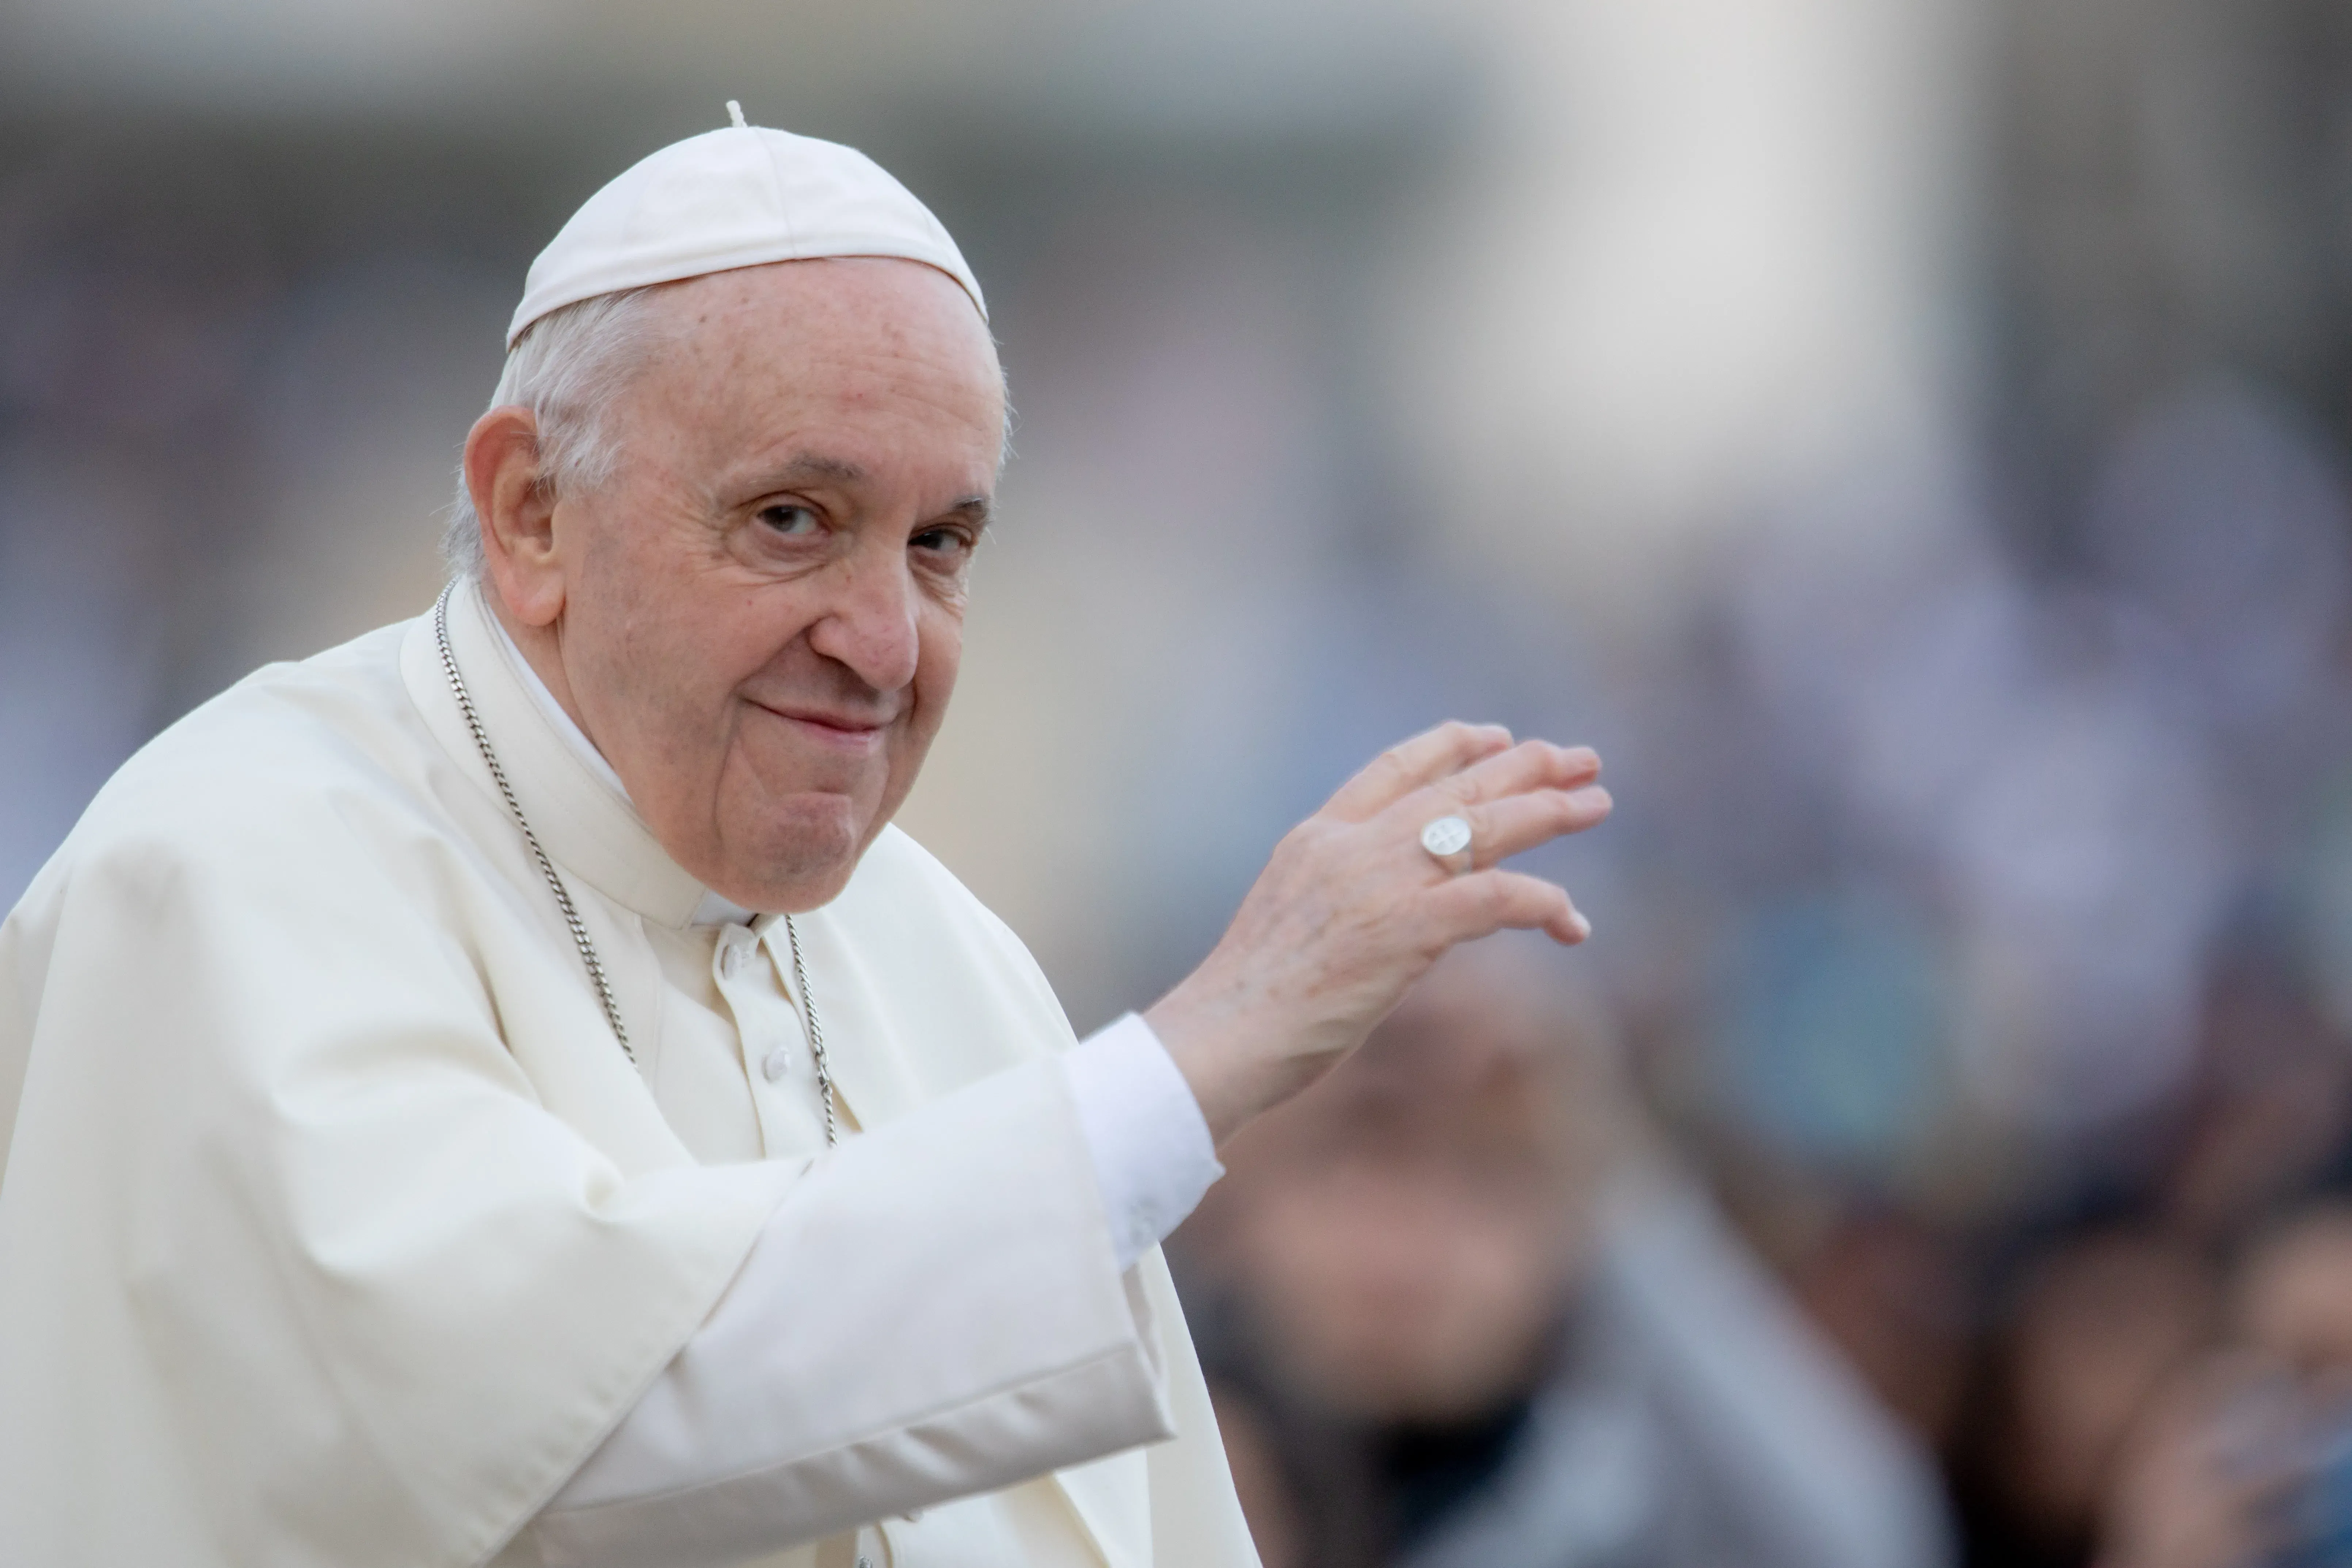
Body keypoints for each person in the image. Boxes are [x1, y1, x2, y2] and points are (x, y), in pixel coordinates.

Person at [0, 111, 1613, 1568]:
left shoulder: (942, 951)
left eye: (939, 544)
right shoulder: (228, 869)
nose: (884, 639)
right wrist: (1202, 1051)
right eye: (793, 520)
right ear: (531, 514)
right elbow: (577, 1438)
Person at [1178, 939, 1954, 1568]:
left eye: (1485, 1183)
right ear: (1236, 1198)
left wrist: (1606, 1147)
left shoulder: (1629, 1499)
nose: (1407, 1251)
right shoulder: (1147, 1460)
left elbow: (1870, 1537)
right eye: (1350, 1170)